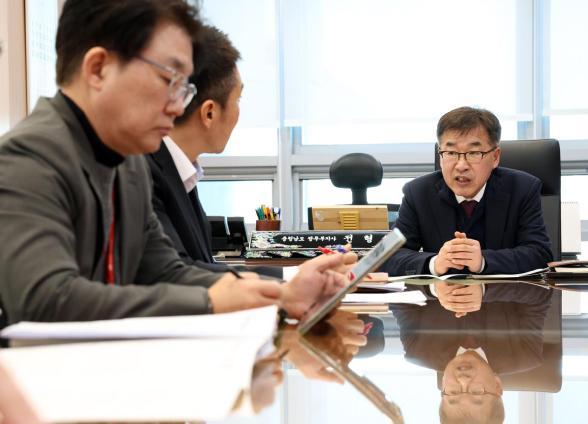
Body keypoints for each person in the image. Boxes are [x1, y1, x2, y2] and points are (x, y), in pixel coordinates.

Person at [0, 0, 355, 326]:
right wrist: (210, 301)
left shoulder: (129, 165)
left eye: (185, 87)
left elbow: (167, 272)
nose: (177, 106)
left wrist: (283, 294)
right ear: (98, 69)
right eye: (170, 80)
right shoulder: (28, 158)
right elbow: (46, 300)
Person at [382, 106, 553, 315]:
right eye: (451, 153)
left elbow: (539, 254)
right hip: (440, 319)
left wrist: (482, 261)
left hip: (503, 317)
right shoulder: (417, 193)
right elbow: (387, 256)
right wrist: (434, 263)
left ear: (495, 157)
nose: (461, 165)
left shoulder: (523, 189)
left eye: (473, 153)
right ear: (440, 155)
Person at [145, 25, 283, 279]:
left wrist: (289, 278)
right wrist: (287, 283)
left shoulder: (180, 170)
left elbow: (201, 266)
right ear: (209, 112)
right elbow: (178, 274)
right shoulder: (145, 173)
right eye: (237, 99)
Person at [393, 285, 555, 424]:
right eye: (477, 392)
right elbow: (541, 291)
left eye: (453, 392)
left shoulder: (418, 350)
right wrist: (484, 289)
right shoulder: (524, 352)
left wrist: (433, 289)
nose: (463, 379)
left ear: (443, 387)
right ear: (497, 386)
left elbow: (396, 292)